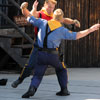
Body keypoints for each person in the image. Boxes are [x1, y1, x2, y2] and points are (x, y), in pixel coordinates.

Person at [19, 2, 100, 98]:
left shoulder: (42, 22)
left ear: (53, 16)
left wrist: (23, 8)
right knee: (61, 69)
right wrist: (91, 29)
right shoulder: (62, 30)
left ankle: (32, 89)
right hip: (53, 56)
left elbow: (28, 16)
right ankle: (64, 90)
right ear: (61, 19)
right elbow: (77, 35)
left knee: (38, 74)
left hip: (41, 54)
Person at [11, 0, 80, 89]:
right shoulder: (40, 14)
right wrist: (24, 8)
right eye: (49, 6)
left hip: (52, 47)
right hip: (39, 45)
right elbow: (29, 15)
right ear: (45, 5)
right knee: (30, 65)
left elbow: (65, 19)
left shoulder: (54, 16)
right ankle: (20, 79)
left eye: (53, 7)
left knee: (60, 68)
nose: (51, 9)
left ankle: (64, 88)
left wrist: (73, 21)